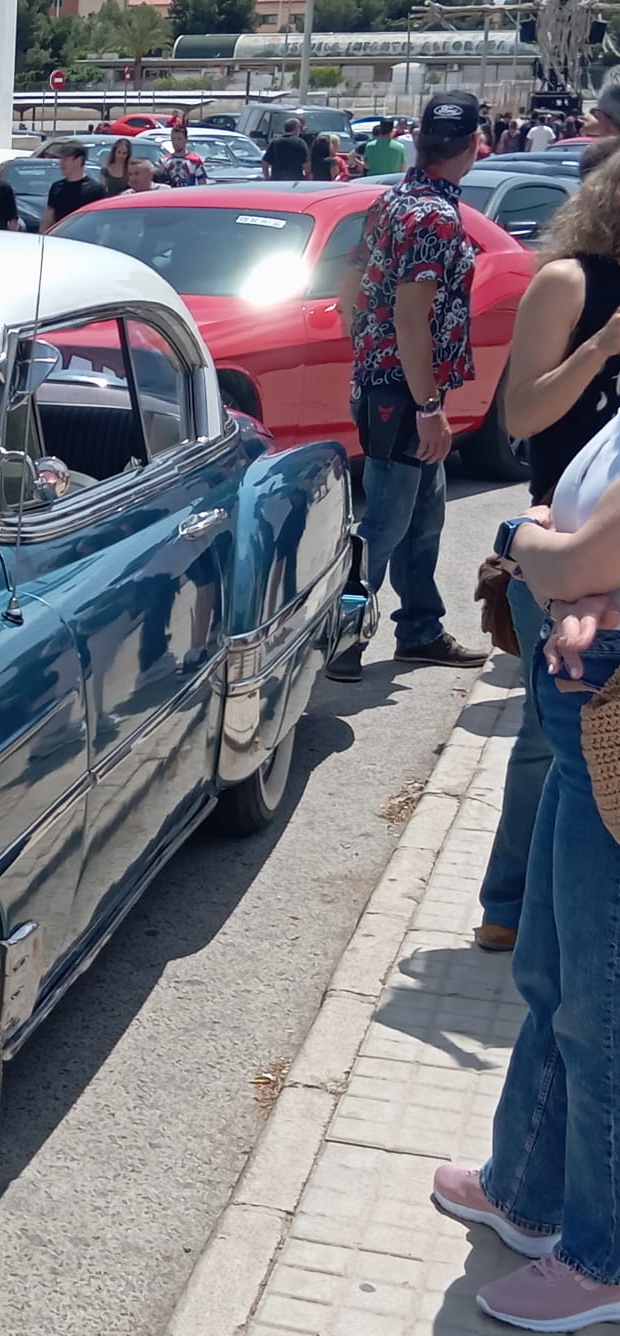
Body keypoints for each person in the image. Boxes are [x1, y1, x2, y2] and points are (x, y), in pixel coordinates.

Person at [429, 432, 620, 1332]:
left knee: (603, 1004)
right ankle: (527, 1191)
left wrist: (520, 535)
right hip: (588, 693)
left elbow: (580, 551)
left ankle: (602, 1255)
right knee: (551, 971)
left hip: (608, 696)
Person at [473, 141, 620, 952]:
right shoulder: (572, 281)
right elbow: (520, 418)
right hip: (557, 546)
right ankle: (511, 903)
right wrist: (599, 349)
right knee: (549, 738)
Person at [330, 90, 493, 680]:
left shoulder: (396, 199)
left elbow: (352, 274)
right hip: (403, 392)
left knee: (425, 516)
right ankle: (340, 637)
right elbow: (411, 317)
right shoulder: (435, 216)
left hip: (388, 383)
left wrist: (358, 332)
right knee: (387, 521)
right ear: (475, 145)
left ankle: (420, 628)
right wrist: (427, 405)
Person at [43, 141, 108, 229]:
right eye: (61, 159)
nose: (61, 163)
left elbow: (101, 221)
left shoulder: (95, 190)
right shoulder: (56, 187)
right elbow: (48, 219)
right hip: (59, 239)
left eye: (65, 159)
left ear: (79, 160)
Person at [159, 124, 208, 188]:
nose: (176, 142)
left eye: (179, 139)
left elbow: (202, 185)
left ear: (186, 140)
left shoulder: (195, 161)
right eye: (173, 139)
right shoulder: (164, 160)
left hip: (188, 196)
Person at [263, 117, 310, 181]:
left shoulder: (274, 142)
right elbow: (306, 166)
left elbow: (265, 162)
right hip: (295, 181)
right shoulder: (300, 143)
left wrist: (267, 178)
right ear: (296, 128)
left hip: (277, 180)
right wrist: (306, 178)